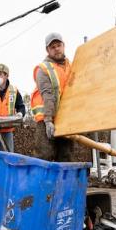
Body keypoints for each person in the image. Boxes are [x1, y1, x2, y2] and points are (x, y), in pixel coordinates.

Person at [30, 32, 75, 162]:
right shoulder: (43, 69)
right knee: (44, 156)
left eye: (58, 45)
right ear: (47, 50)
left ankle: (62, 182)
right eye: (52, 47)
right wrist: (48, 120)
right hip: (46, 120)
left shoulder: (72, 66)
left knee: (66, 156)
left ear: (63, 46)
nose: (56, 49)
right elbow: (47, 95)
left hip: (65, 118)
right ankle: (41, 182)